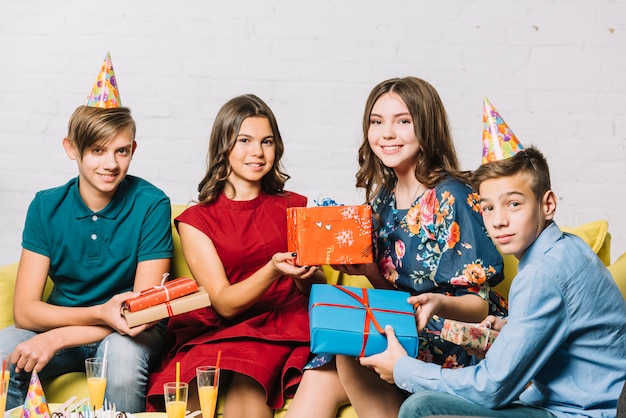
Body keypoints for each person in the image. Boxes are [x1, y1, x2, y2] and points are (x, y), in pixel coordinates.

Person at [286, 77, 507, 418]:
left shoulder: (454, 196)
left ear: (426, 127)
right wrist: (370, 271)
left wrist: (435, 304)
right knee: (323, 368)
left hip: (455, 340)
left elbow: (479, 306)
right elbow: (398, 296)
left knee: (349, 345)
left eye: (402, 121)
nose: (387, 133)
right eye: (377, 122)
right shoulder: (384, 199)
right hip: (406, 329)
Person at [361, 141, 626, 417]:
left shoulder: (542, 274)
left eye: (513, 204)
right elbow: (569, 321)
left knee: (421, 409)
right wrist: (510, 328)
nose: (498, 221)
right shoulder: (567, 248)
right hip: (573, 403)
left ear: (547, 204)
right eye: (488, 208)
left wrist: (403, 368)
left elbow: (492, 389)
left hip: (581, 413)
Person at [0, 53, 173, 413]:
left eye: (121, 151)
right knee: (5, 350)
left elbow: (138, 314)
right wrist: (100, 313)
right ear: (72, 149)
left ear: (133, 150)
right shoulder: (46, 206)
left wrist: (59, 337)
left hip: (131, 333)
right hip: (85, 321)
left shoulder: (152, 204)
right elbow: (25, 312)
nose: (110, 164)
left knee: (121, 357)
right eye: (97, 151)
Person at [145, 94, 327, 418]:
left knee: (250, 373)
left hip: (282, 322)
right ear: (224, 145)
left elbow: (315, 288)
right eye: (244, 140)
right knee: (185, 396)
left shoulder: (295, 206)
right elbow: (225, 303)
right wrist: (273, 269)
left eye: (266, 141)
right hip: (223, 323)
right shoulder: (196, 219)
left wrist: (307, 274)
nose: (257, 152)